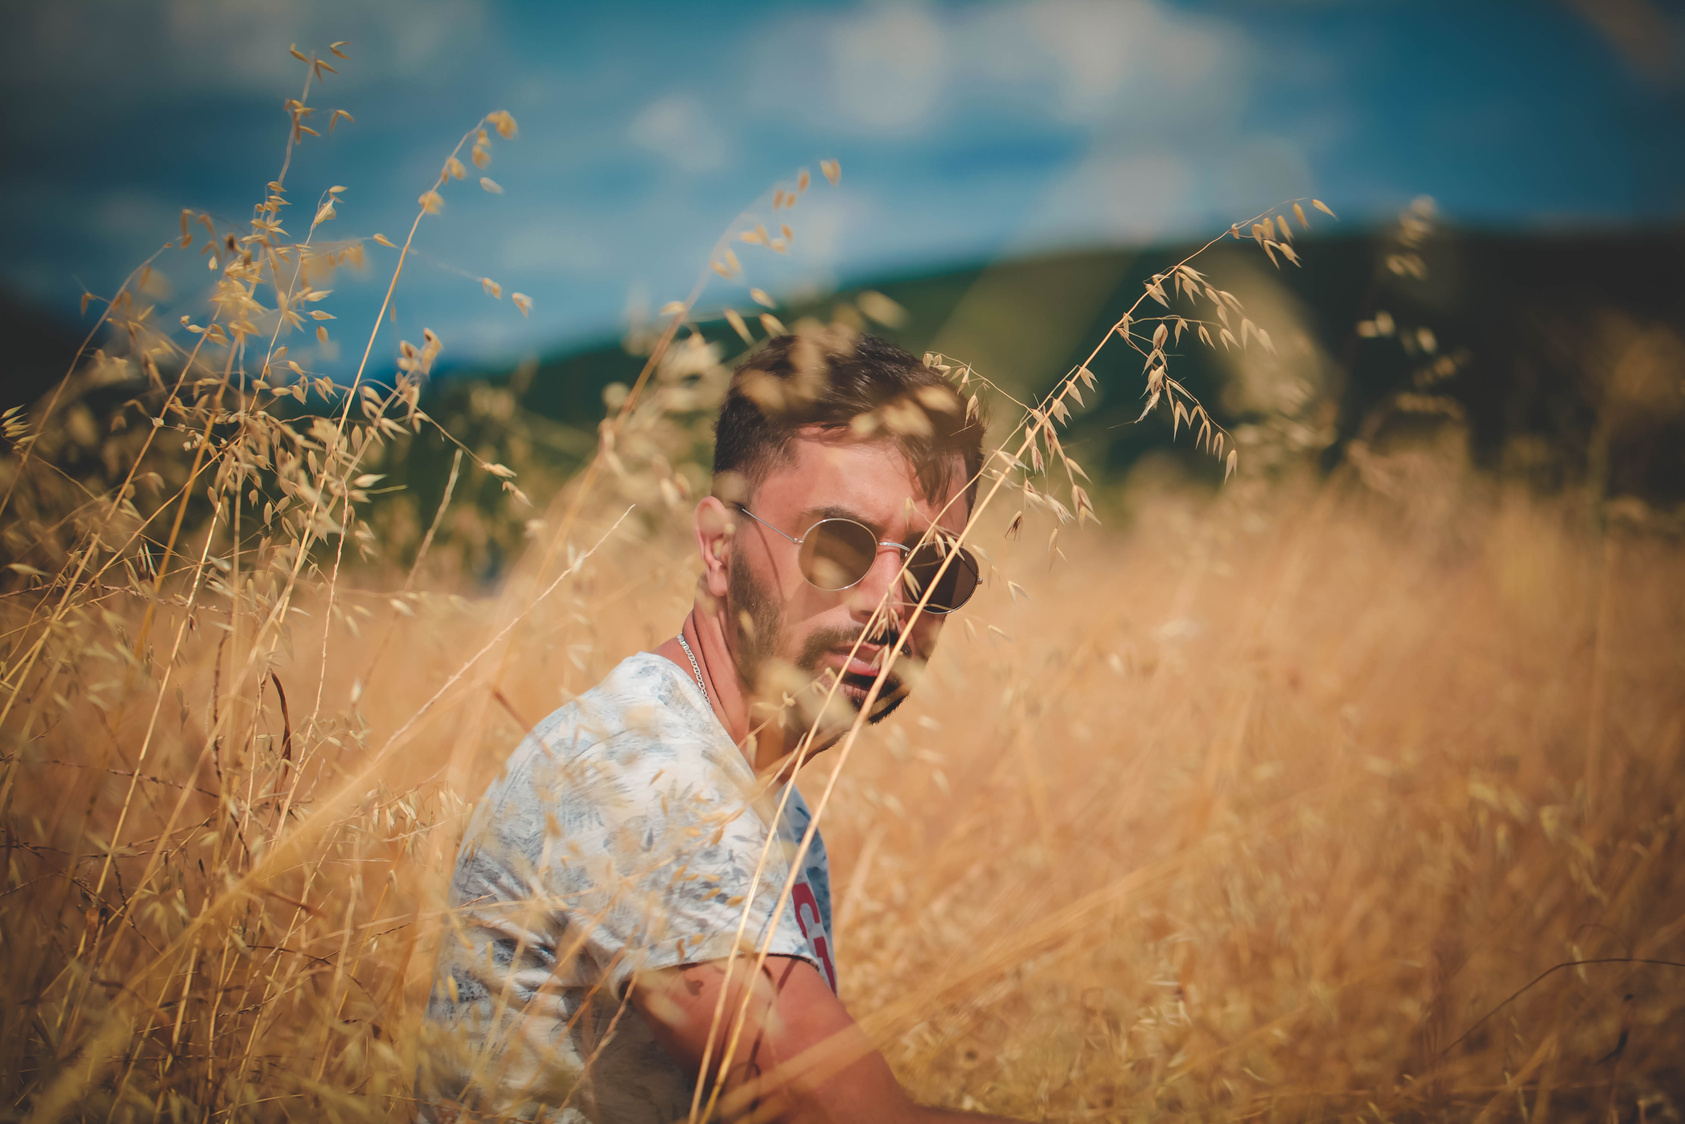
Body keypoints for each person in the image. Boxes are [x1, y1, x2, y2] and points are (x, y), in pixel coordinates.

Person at [419, 329, 1020, 1123]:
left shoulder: (763, 798)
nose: (890, 602)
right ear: (717, 544)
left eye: (933, 566)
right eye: (837, 543)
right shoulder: (651, 781)